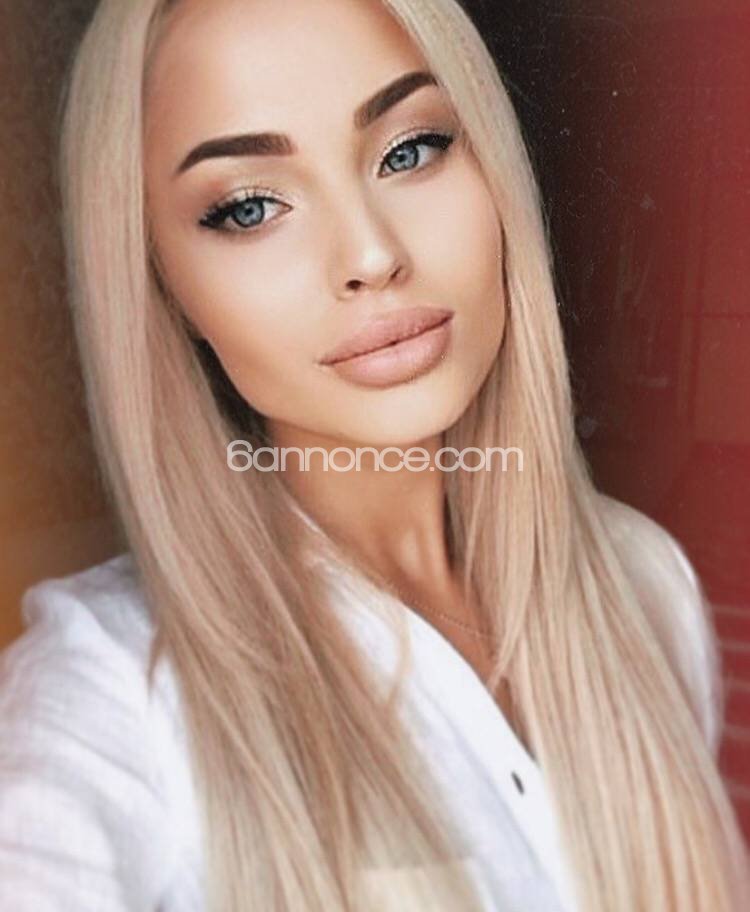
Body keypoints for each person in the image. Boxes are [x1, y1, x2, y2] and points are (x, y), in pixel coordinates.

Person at [0, 0, 747, 909]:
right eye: (249, 208)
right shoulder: (112, 691)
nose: (371, 254)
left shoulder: (644, 583)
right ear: (162, 282)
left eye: (410, 150)